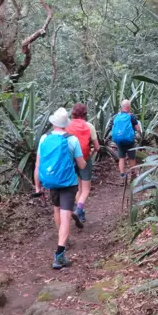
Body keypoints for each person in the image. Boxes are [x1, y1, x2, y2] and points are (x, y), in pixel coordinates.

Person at [34, 107, 86, 269]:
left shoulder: (44, 138)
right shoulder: (72, 140)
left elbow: (38, 165)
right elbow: (81, 164)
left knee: (57, 210)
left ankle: (62, 239)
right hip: (68, 183)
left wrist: (38, 187)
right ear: (65, 124)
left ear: (53, 123)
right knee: (66, 217)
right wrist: (84, 163)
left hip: (51, 181)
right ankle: (59, 254)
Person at [66, 103, 100, 225]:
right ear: (85, 114)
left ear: (73, 113)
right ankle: (79, 209)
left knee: (78, 187)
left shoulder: (67, 126)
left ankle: (81, 212)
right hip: (85, 159)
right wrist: (91, 152)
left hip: (71, 161)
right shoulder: (89, 126)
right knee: (85, 189)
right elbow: (97, 147)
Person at [111, 99, 142, 180]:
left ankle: (122, 175)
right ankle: (133, 174)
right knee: (132, 157)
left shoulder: (117, 116)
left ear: (122, 107)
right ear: (129, 107)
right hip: (129, 141)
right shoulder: (131, 116)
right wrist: (139, 134)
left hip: (119, 140)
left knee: (121, 158)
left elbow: (113, 127)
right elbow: (137, 128)